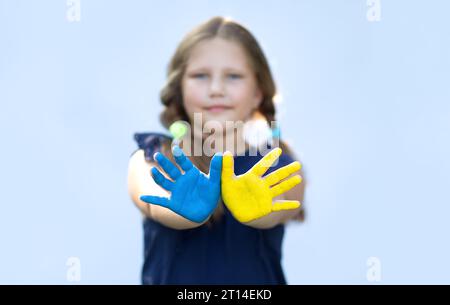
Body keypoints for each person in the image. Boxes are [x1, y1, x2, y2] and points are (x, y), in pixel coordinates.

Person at [127, 16, 306, 285]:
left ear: (258, 92)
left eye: (233, 76)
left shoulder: (278, 162)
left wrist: (260, 210)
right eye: (200, 76)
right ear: (179, 88)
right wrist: (181, 210)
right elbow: (151, 197)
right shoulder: (152, 156)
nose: (216, 89)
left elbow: (285, 203)